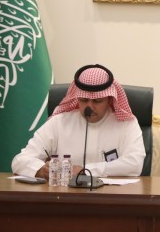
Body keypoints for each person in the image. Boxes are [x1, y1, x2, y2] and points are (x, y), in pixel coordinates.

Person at [11, 64, 145, 179]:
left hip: (110, 197)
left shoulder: (126, 124)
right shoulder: (59, 122)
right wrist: (40, 170)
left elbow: (135, 164)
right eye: (83, 100)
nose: (89, 107)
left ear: (109, 100)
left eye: (97, 101)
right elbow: (19, 161)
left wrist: (86, 171)